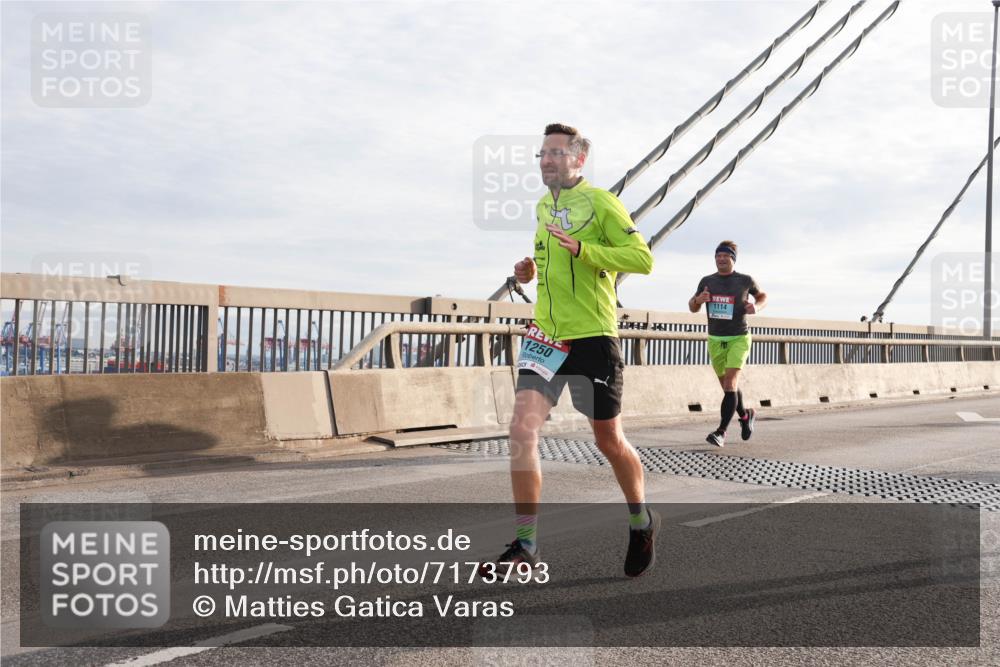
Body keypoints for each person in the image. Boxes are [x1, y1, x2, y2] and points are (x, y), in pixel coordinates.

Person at [485, 123, 658, 578]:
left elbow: (642, 258)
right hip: (546, 336)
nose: (546, 160)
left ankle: (641, 520)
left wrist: (586, 249)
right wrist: (529, 271)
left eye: (556, 154)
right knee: (522, 431)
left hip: (592, 337)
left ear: (578, 160)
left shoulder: (601, 202)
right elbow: (548, 263)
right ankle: (526, 546)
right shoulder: (543, 207)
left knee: (608, 440)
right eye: (542, 154)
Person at [688, 240, 768, 447]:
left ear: (733, 259)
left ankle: (721, 432)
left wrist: (756, 307)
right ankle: (745, 415)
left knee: (731, 382)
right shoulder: (707, 280)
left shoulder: (744, 280)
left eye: (726, 256)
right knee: (728, 387)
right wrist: (699, 300)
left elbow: (762, 296)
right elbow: (692, 307)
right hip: (715, 338)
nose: (721, 259)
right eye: (718, 256)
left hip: (739, 337)